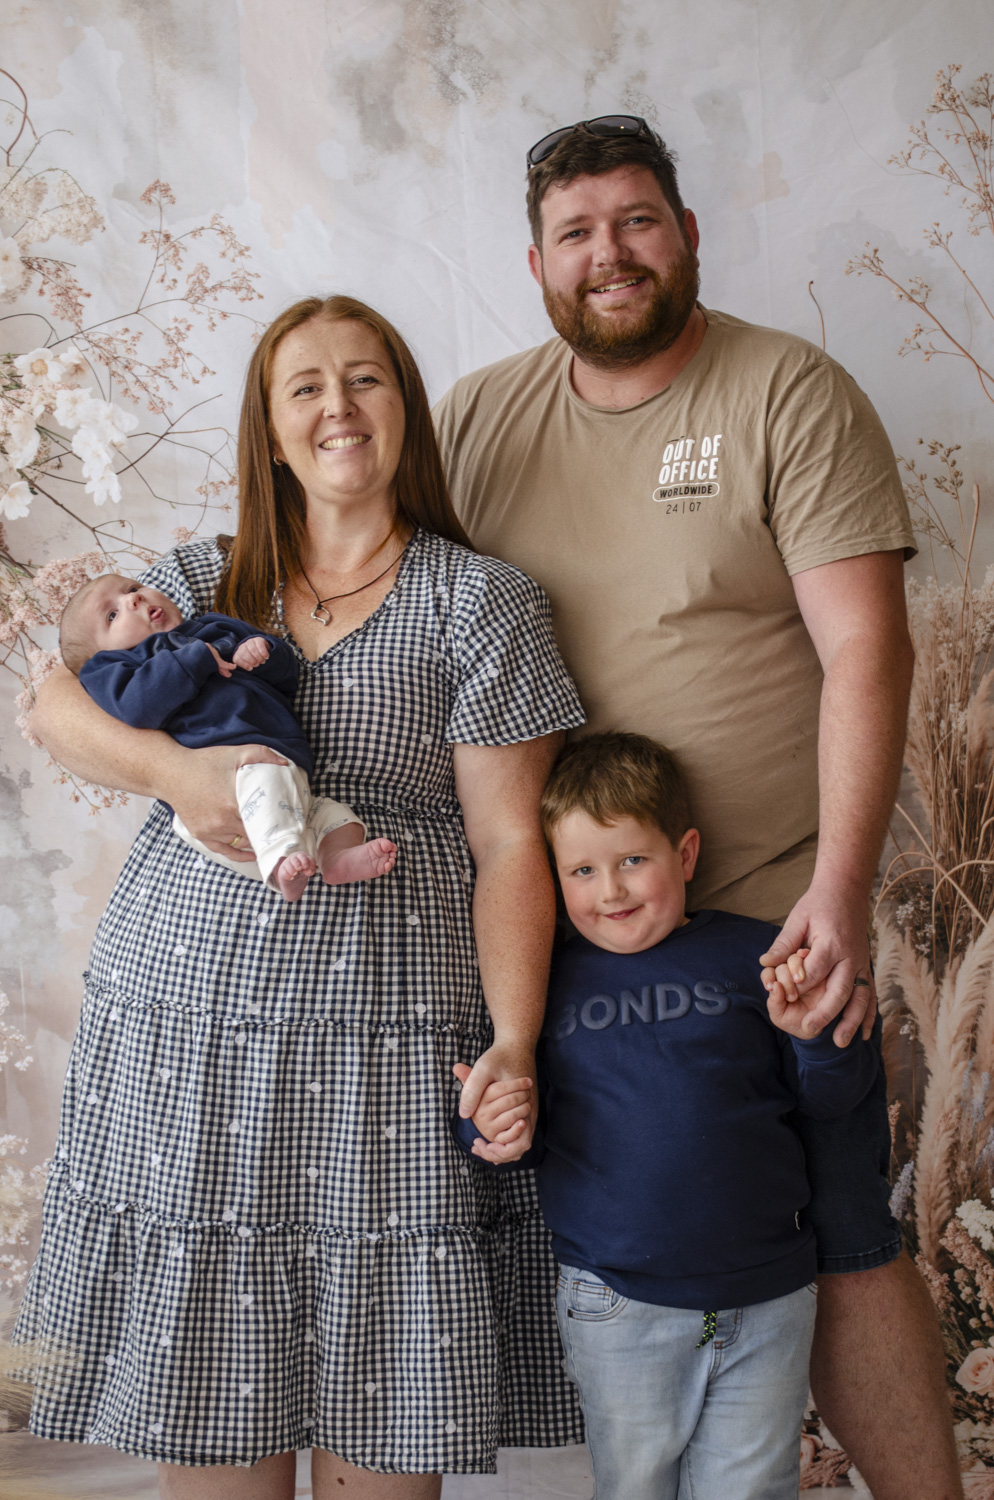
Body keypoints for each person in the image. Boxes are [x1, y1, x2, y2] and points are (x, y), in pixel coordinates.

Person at [433, 118, 962, 1498]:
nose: (608, 254)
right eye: (576, 232)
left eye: (636, 220)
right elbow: (383, 603)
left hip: (766, 920)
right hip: (569, 930)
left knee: (842, 1236)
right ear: (534, 261)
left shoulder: (786, 391)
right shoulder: (479, 419)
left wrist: (836, 895)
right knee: (617, 1246)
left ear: (685, 232)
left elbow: (865, 650)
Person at [18, 295, 586, 1499]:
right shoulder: (192, 578)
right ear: (269, 430)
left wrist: (518, 1041)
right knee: (218, 1423)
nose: (338, 408)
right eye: (306, 388)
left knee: (384, 1421)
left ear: (404, 412)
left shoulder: (480, 602)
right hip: (191, 1038)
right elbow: (52, 706)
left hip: (386, 1051)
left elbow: (509, 847)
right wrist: (182, 776)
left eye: (367, 380)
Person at [454, 732, 879, 1499]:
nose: (609, 891)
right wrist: (493, 1123)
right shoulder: (539, 982)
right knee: (635, 1485)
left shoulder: (758, 955)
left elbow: (830, 1102)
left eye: (632, 861)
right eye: (582, 870)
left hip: (768, 1296)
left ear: (684, 855)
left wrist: (813, 1037)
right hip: (618, 1301)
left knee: (751, 1487)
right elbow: (507, 1114)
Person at [60, 575, 397, 900]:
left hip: (283, 768)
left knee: (330, 815)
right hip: (224, 775)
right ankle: (281, 863)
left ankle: (334, 858)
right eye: (112, 614)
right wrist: (196, 658)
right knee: (265, 796)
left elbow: (288, 676)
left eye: (132, 587)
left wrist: (262, 651)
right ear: (99, 652)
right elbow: (139, 706)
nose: (133, 598)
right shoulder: (116, 667)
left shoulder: (213, 626)